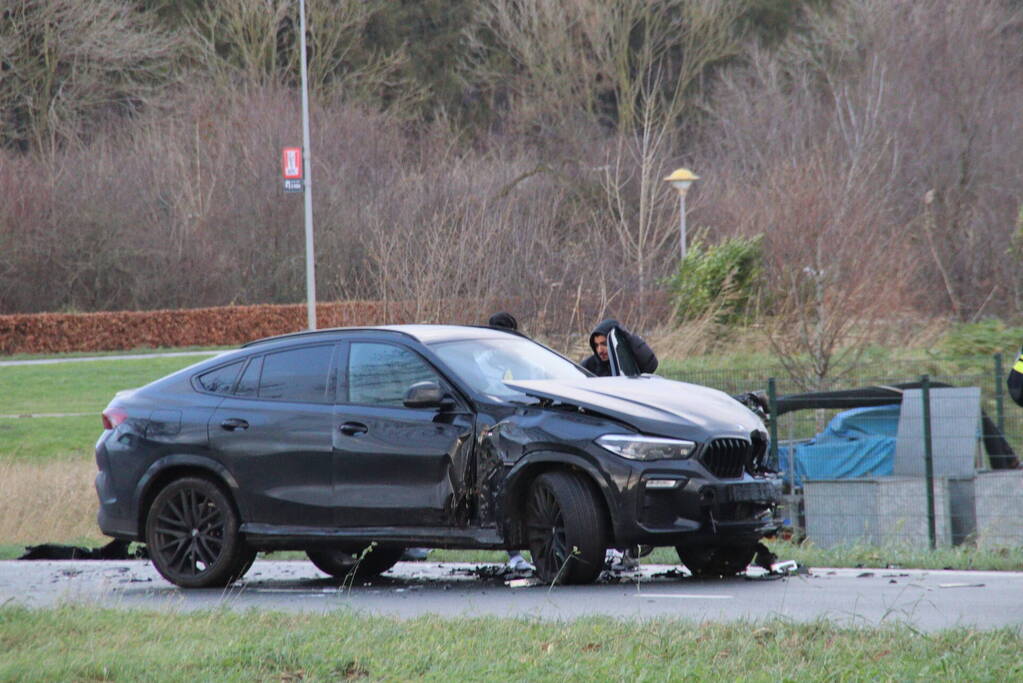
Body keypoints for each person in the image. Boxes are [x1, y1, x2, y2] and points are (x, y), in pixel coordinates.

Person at [581, 318, 658, 377]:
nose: (600, 350)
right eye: (596, 345)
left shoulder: (627, 361)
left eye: (604, 344)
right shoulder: (589, 366)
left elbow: (651, 364)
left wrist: (628, 337)